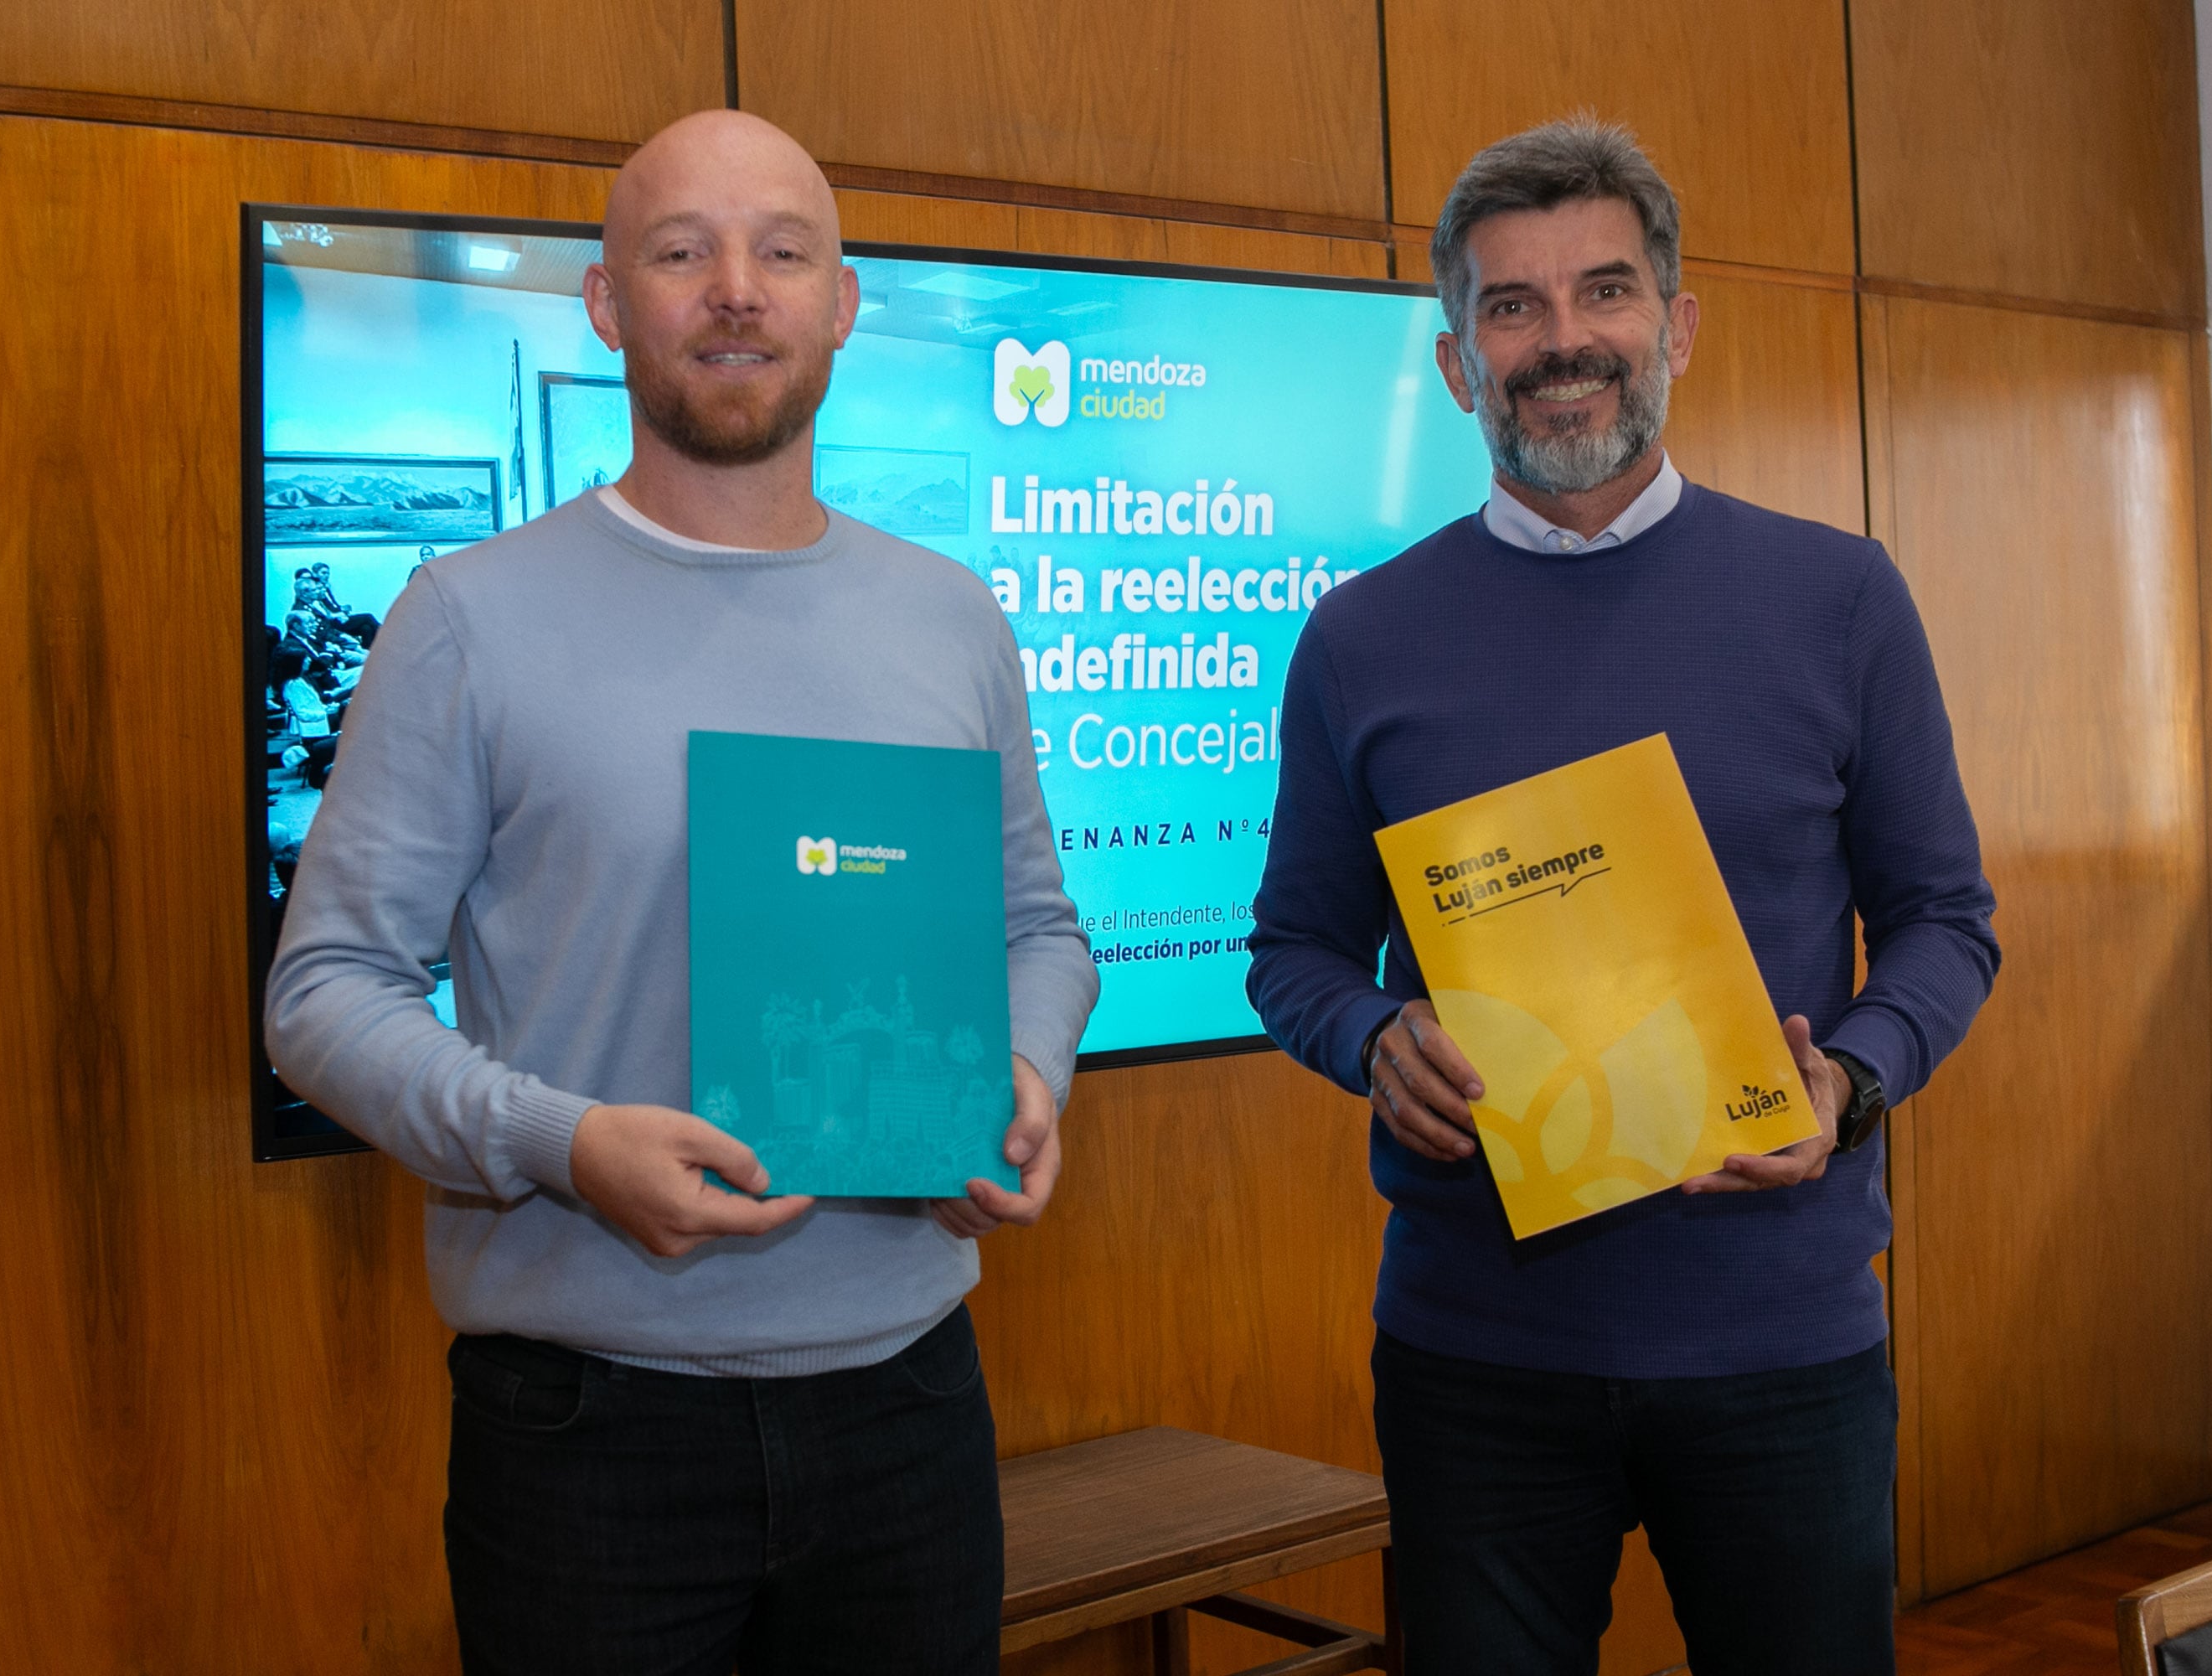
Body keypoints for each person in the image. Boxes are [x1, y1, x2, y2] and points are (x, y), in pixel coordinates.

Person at [264, 109, 1097, 1676]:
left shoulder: (952, 617)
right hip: (590, 1434)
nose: (736, 288)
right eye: (681, 250)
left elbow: (1035, 929)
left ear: (841, 302)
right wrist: (560, 1145)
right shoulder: (465, 620)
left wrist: (1028, 1074)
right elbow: (323, 997)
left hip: (910, 1400)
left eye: (783, 250)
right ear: (603, 301)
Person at [1245, 117, 1998, 1674]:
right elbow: (1295, 951)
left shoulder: (1839, 596)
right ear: (1458, 363)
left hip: (1782, 1342)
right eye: (1511, 308)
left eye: (1605, 292)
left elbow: (1945, 920)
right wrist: (1372, 1035)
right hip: (1477, 1360)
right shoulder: (1360, 637)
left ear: (1677, 325)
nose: (1562, 341)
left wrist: (1851, 1081)